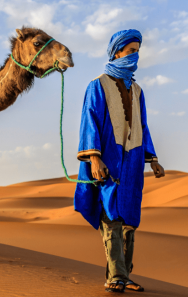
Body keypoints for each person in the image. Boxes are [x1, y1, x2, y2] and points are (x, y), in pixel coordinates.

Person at [74, 29, 165, 293]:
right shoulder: (97, 85)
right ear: (117, 53)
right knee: (111, 215)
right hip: (108, 159)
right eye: (131, 51)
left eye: (138, 51)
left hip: (134, 159)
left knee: (129, 217)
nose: (135, 56)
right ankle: (116, 275)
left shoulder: (137, 90)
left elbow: (142, 125)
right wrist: (94, 158)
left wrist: (152, 159)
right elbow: (88, 121)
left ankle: (124, 274)